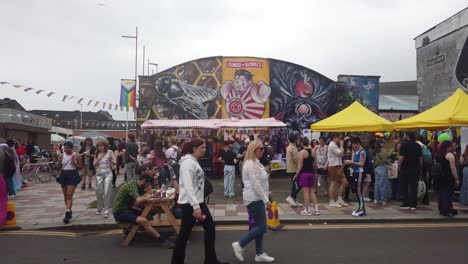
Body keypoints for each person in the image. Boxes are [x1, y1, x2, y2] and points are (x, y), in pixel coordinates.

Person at [171, 138, 228, 264]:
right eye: (201, 147)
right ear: (194, 149)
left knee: (198, 230)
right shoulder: (187, 164)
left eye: (204, 147)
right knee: (190, 232)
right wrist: (196, 207)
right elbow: (188, 186)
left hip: (196, 204)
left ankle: (210, 259)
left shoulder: (193, 162)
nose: (204, 150)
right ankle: (208, 260)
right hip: (192, 205)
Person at [232, 139, 275, 263]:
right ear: (253, 150)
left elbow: (262, 183)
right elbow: (256, 185)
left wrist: (267, 195)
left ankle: (259, 253)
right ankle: (240, 244)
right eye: (260, 149)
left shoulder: (256, 163)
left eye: (263, 149)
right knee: (262, 227)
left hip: (257, 198)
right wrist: (266, 201)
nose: (263, 151)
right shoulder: (251, 164)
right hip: (254, 198)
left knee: (259, 226)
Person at [113, 173, 173, 247]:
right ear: (144, 181)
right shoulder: (132, 185)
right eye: (147, 184)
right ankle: (162, 240)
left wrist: (164, 194)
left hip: (129, 209)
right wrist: (150, 195)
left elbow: (152, 192)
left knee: (151, 212)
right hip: (120, 212)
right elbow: (139, 200)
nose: (148, 186)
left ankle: (149, 233)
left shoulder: (140, 185)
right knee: (143, 220)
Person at [55, 141, 82, 224]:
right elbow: (57, 168)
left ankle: (67, 213)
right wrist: (59, 161)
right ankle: (69, 210)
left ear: (71, 148)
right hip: (64, 174)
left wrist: (76, 163)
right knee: (65, 195)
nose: (65, 150)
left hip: (73, 174)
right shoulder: (62, 155)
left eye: (67, 148)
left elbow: (80, 167)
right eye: (65, 148)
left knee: (69, 194)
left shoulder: (76, 155)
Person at [434, 141, 460, 216]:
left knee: (441, 193)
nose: (453, 147)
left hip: (439, 177)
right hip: (448, 176)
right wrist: (457, 178)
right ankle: (448, 209)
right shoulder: (449, 155)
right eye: (452, 146)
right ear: (448, 146)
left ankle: (442, 209)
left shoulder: (438, 154)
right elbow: (453, 167)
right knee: (448, 194)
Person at [295, 137, 319, 216]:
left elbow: (300, 165)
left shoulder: (302, 152)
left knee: (305, 192)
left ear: (302, 143)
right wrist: (315, 173)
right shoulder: (313, 152)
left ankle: (307, 210)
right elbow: (315, 164)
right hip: (311, 173)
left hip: (304, 174)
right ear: (308, 143)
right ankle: (316, 209)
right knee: (312, 191)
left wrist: (296, 174)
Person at [398, 131, 422, 210]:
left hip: (405, 169)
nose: (404, 136)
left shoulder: (404, 145)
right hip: (415, 169)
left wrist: (399, 167)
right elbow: (420, 159)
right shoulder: (418, 146)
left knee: (404, 186)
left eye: (404, 134)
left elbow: (401, 158)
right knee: (414, 187)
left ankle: (406, 203)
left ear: (407, 136)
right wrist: (419, 167)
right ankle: (413, 204)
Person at [93, 140, 116, 218]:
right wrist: (99, 159)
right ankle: (99, 208)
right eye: (98, 146)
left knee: (107, 191)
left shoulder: (110, 152)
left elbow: (115, 162)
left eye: (101, 146)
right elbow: (94, 164)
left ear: (105, 146)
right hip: (99, 173)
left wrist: (110, 160)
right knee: (99, 191)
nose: (100, 148)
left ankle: (106, 209)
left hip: (108, 173)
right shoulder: (96, 153)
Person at [344, 137, 367, 217]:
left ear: (358, 144)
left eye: (354, 145)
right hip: (356, 172)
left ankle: (362, 210)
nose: (353, 146)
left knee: (359, 192)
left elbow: (361, 164)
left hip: (360, 173)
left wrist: (351, 162)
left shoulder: (362, 152)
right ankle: (360, 208)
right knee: (357, 192)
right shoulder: (356, 151)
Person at [327, 133, 348, 207]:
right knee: (333, 182)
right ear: (335, 137)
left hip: (338, 165)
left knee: (344, 181)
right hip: (334, 166)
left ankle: (339, 198)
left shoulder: (335, 145)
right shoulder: (332, 145)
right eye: (339, 138)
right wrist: (342, 145)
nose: (340, 139)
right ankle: (332, 201)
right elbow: (341, 154)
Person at [285, 133, 301, 207]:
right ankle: (291, 197)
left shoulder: (289, 147)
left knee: (295, 185)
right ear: (295, 140)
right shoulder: (293, 148)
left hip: (290, 169)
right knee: (298, 185)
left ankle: (293, 200)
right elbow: (297, 160)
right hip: (294, 169)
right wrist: (300, 168)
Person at [373, 139, 390, 205]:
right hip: (382, 168)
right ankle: (383, 200)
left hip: (376, 168)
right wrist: (389, 163)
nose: (383, 144)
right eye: (382, 143)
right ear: (380, 144)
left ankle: (376, 199)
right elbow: (385, 160)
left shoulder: (374, 151)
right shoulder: (383, 151)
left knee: (377, 184)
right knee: (383, 184)